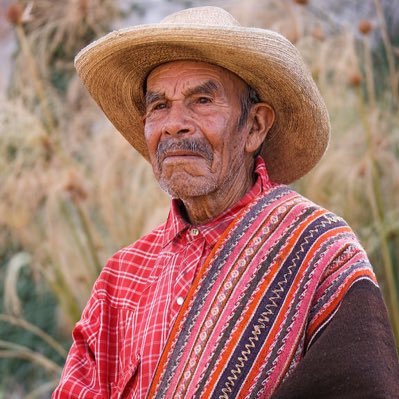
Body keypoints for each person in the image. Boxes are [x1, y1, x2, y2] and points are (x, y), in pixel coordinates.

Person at [53, 6, 399, 399]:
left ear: (255, 127)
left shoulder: (319, 250)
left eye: (201, 100)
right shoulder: (120, 280)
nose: (174, 123)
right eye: (159, 105)